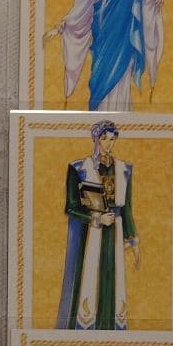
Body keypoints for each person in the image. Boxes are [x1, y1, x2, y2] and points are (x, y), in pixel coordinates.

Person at [55, 120, 140, 330]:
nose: (109, 143)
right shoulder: (78, 168)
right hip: (89, 235)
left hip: (115, 233)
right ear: (96, 139)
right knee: (89, 280)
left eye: (112, 139)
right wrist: (97, 219)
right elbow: (71, 207)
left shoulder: (124, 169)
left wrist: (133, 241)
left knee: (112, 281)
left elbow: (126, 208)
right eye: (104, 138)